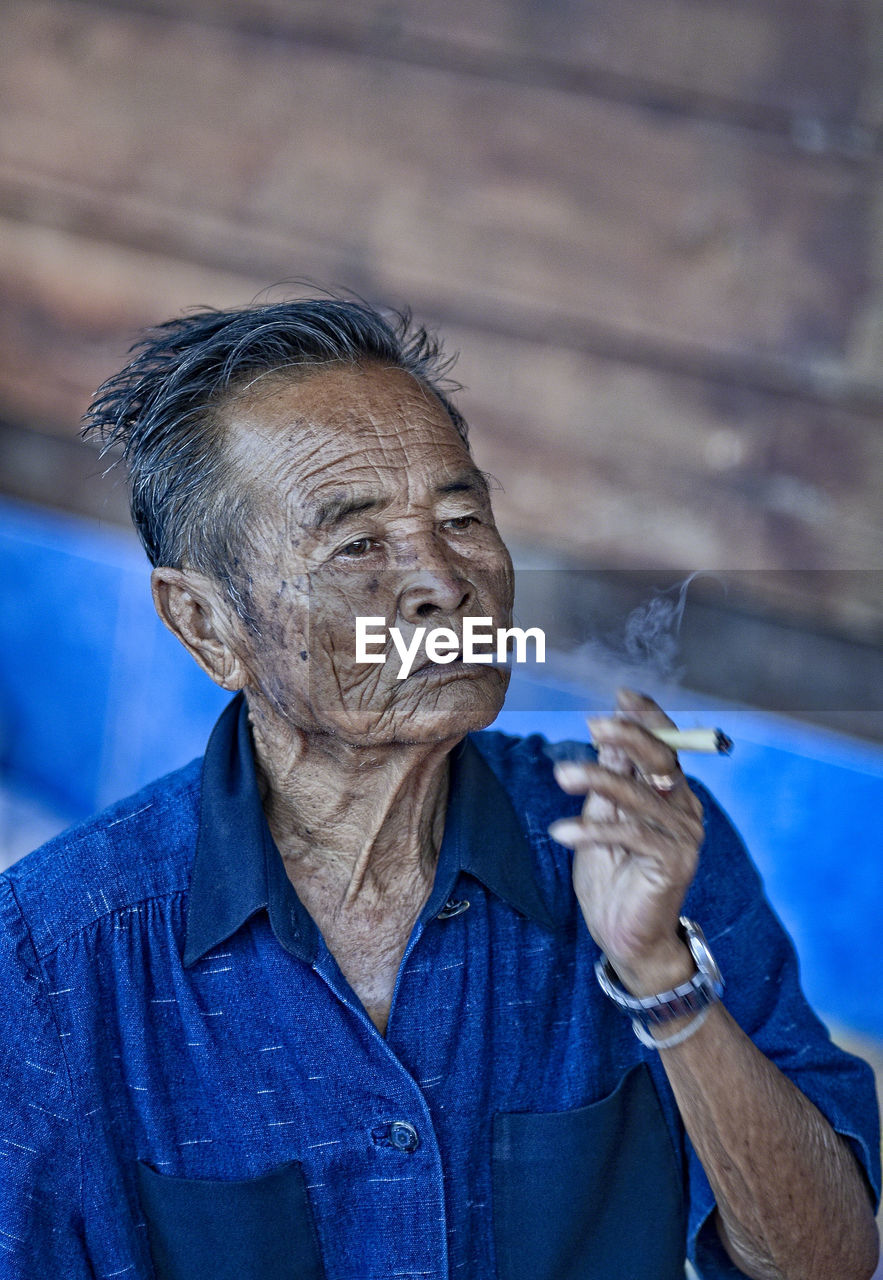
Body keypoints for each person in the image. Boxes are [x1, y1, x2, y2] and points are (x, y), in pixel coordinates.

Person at [0, 298, 878, 1280]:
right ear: (208, 625)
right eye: (358, 546)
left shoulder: (641, 843)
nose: (443, 581)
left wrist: (659, 976)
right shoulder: (55, 956)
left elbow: (826, 1261)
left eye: (461, 519)